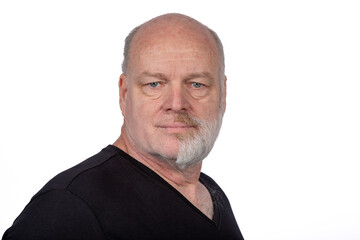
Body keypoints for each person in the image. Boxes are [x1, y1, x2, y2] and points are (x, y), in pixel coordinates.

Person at [2, 13, 244, 240]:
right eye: (154, 84)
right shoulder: (70, 208)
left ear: (223, 94)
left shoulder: (211, 194)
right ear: (124, 93)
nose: (177, 103)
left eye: (197, 84)